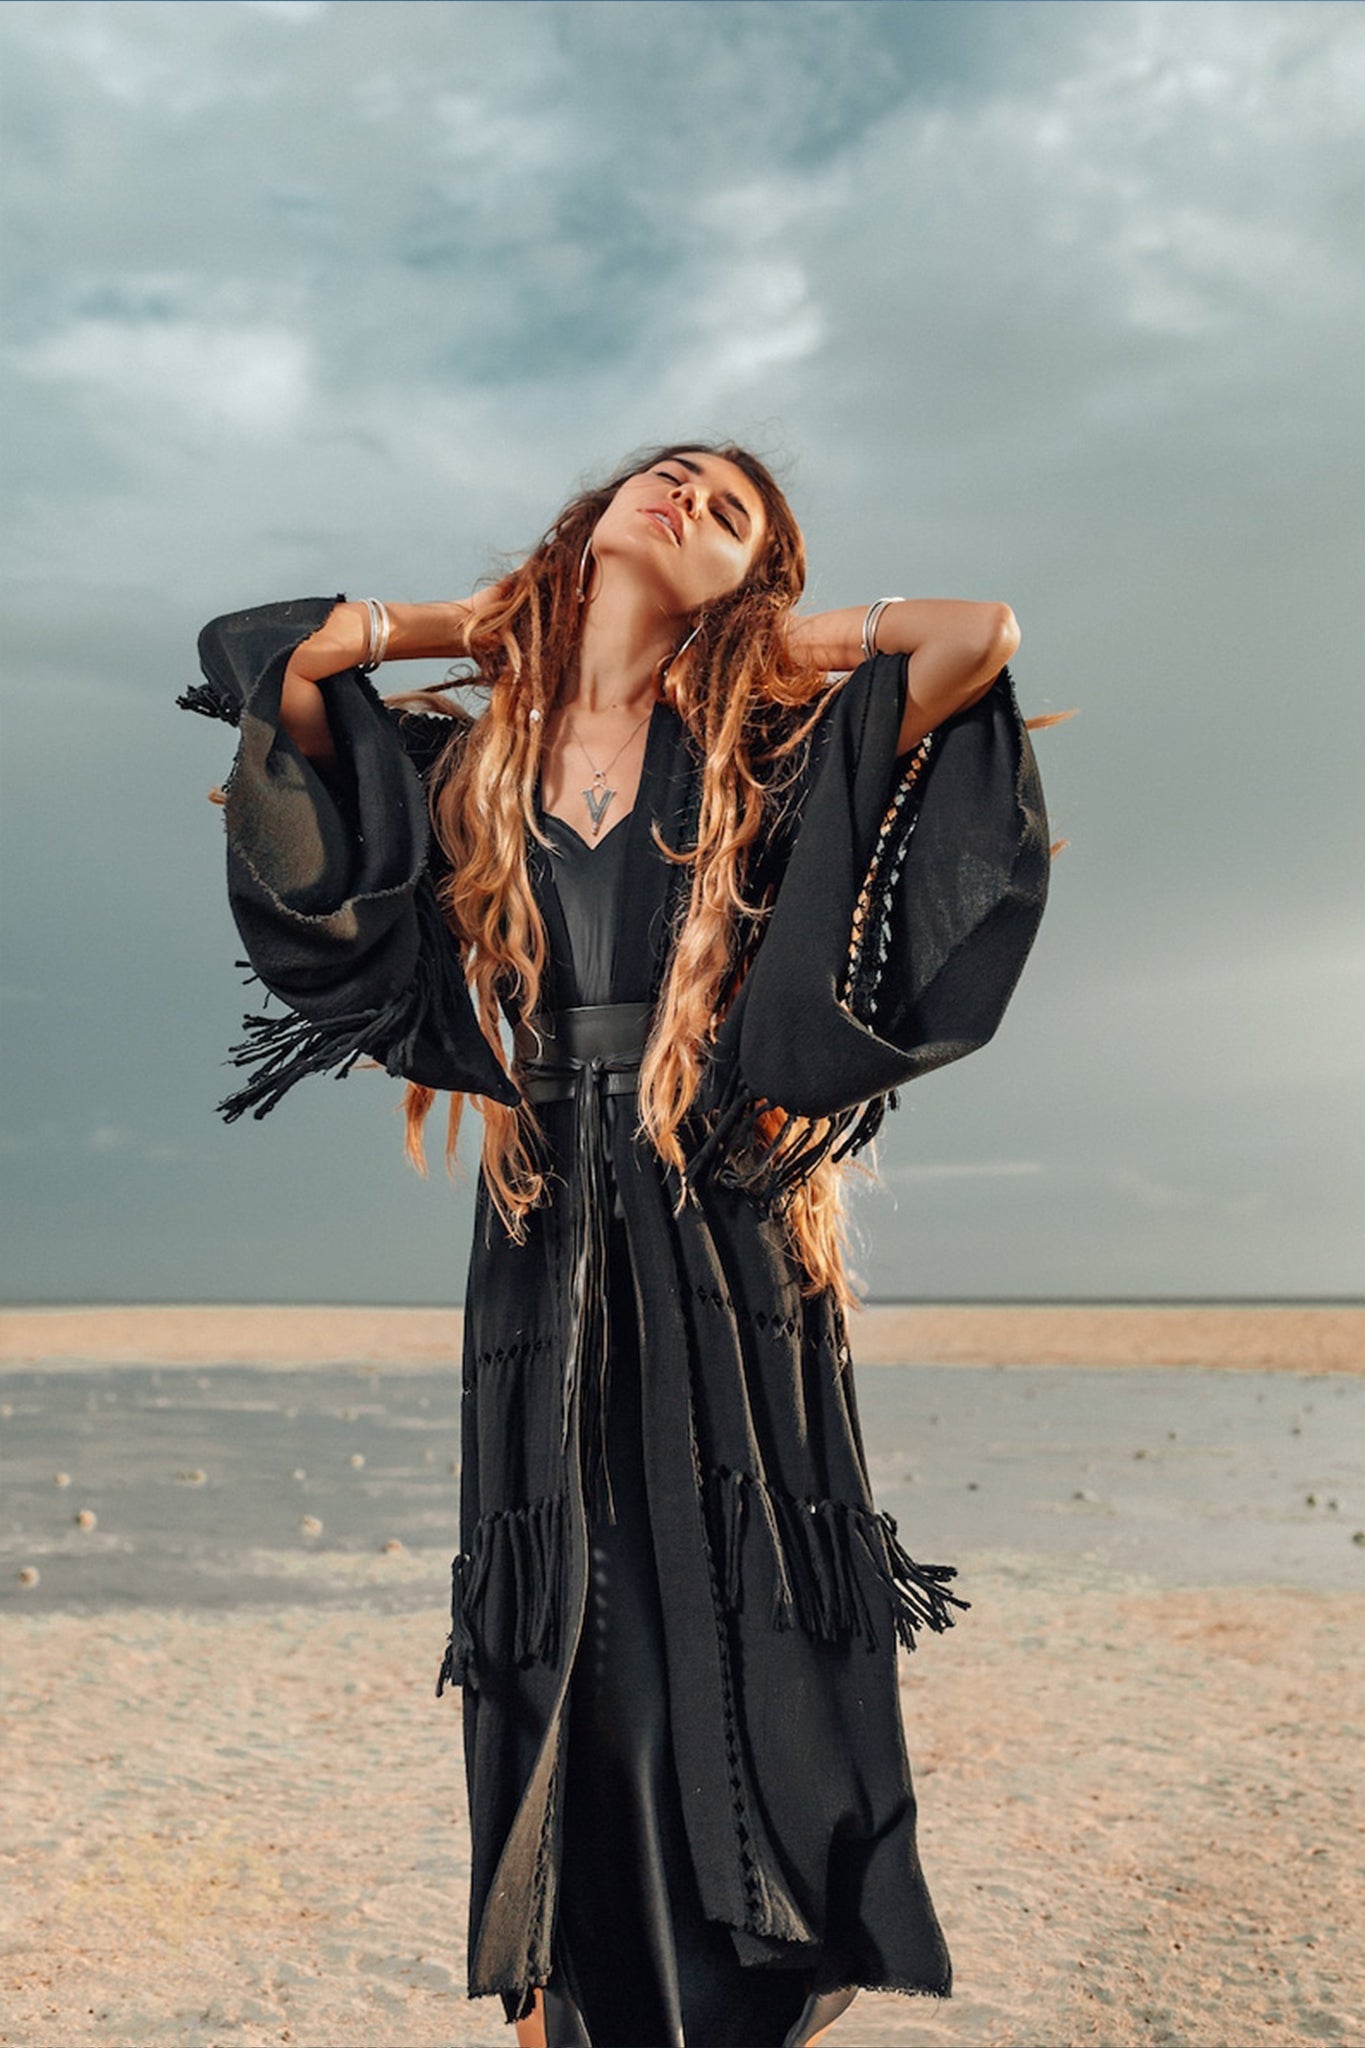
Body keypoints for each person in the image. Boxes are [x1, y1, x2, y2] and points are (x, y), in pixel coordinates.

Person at [184, 443, 1053, 2048]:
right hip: (540, 1218)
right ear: (591, 518)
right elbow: (264, 661)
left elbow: (970, 634)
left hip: (717, 1199)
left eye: (732, 516)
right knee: (567, 1621)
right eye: (669, 481)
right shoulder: (475, 758)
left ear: (756, 582)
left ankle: (742, 1985)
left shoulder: (753, 740)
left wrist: (743, 638)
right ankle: (567, 2001)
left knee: (725, 1607)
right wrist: (508, 618)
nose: (691, 506)